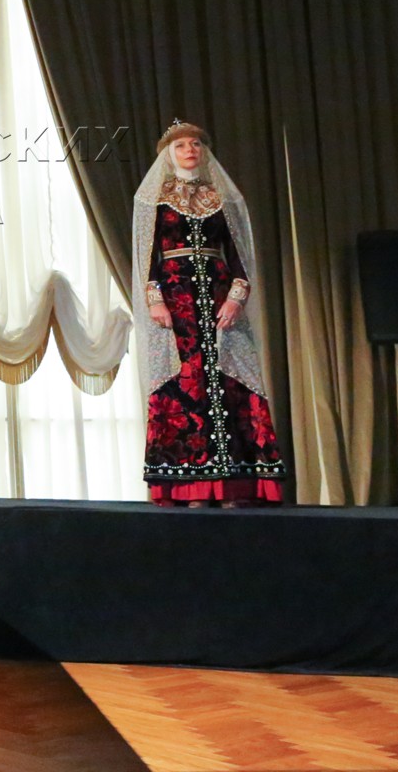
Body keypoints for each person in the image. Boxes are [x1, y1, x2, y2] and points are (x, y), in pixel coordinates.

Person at [134, 121, 285, 506]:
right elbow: (148, 256)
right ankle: (192, 487)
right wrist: (155, 299)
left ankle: (234, 485)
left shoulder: (219, 198)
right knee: (186, 385)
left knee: (229, 384)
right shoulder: (156, 199)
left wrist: (236, 297)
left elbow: (238, 256)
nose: (190, 149)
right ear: (168, 154)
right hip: (177, 303)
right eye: (181, 145)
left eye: (196, 144)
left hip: (219, 300)